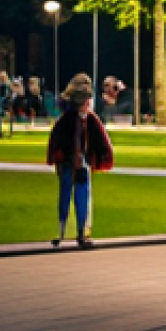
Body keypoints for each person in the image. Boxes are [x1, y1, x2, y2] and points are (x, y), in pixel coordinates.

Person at [46, 73, 114, 248]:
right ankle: (71, 232)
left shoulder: (81, 119)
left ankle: (78, 232)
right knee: (69, 195)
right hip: (71, 162)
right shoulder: (72, 119)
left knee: (78, 195)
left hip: (79, 163)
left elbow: (98, 141)